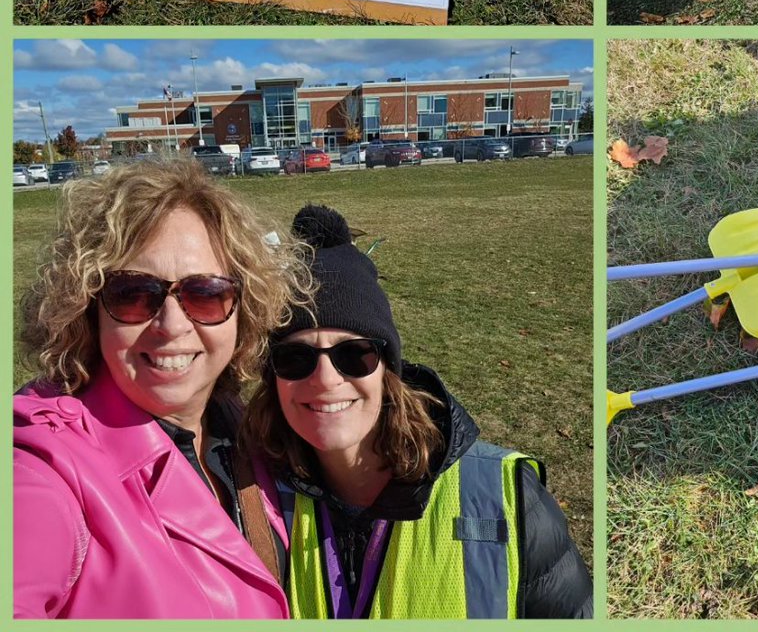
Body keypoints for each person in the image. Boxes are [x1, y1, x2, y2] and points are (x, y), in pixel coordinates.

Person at [243, 205, 593, 619]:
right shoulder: (248, 499)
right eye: (295, 358)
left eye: (354, 355)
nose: (325, 379)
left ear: (388, 370)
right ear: (272, 380)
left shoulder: (507, 499)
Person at [14, 161, 311, 618]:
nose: (171, 327)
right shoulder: (45, 466)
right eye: (133, 294)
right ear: (87, 310)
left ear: (242, 309)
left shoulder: (250, 435)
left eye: (205, 293)